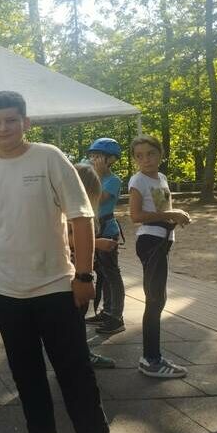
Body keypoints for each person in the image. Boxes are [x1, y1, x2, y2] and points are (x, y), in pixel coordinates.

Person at [0, 91, 115, 433]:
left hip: (56, 287)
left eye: (11, 120)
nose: (3, 128)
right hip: (5, 291)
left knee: (75, 371)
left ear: (26, 123)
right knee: (25, 372)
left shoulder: (49, 157)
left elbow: (81, 217)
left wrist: (84, 276)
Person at [128, 135, 191, 379]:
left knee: (157, 299)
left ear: (160, 154)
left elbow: (162, 210)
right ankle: (150, 359)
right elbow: (135, 216)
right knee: (155, 300)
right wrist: (172, 214)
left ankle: (152, 357)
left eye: (150, 153)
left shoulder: (161, 177)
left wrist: (176, 216)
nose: (145, 159)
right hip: (150, 241)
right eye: (139, 156)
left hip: (161, 240)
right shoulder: (138, 180)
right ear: (135, 159)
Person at [74, 164, 118, 370]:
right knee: (75, 316)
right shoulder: (71, 214)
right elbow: (63, 239)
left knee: (77, 315)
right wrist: (97, 243)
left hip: (78, 271)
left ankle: (79, 353)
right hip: (74, 275)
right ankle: (79, 357)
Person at [83, 139, 126, 335]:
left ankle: (116, 317)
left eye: (98, 157)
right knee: (103, 275)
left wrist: (98, 175)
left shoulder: (113, 180)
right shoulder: (92, 177)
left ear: (111, 160)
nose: (93, 160)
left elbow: (97, 198)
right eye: (92, 156)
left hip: (107, 231)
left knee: (112, 275)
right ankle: (107, 312)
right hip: (94, 230)